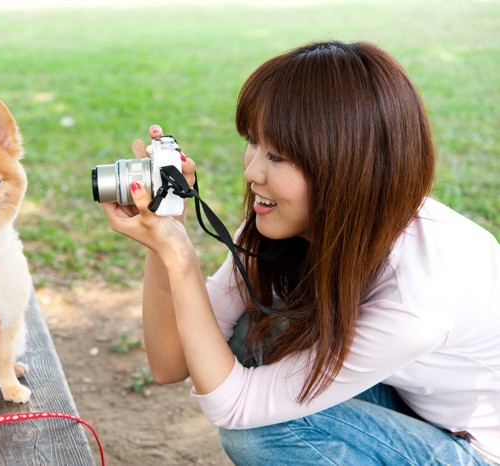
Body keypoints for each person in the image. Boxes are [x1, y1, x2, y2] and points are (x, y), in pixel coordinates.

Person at [100, 41, 500, 464]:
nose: (252, 171)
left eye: (278, 156)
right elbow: (171, 362)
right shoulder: (299, 220)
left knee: (264, 433)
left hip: (471, 448)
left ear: (347, 168)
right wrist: (166, 228)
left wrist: (181, 258)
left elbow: (236, 408)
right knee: (263, 326)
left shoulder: (416, 296)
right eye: (252, 142)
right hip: (410, 402)